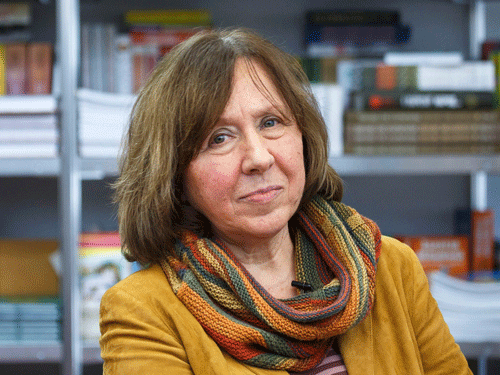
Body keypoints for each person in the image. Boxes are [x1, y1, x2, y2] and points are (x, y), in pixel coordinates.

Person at [100, 28, 472, 375]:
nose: (259, 158)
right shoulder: (141, 310)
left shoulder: (391, 267)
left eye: (271, 122)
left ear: (303, 136)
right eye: (220, 138)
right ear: (175, 174)